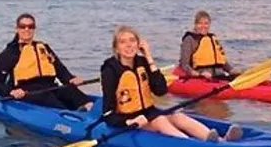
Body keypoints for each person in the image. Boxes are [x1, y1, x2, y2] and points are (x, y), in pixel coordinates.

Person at [102, 25, 242, 141]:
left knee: (177, 115)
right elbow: (107, 114)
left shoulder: (142, 62)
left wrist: (149, 57)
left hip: (149, 112)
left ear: (139, 44)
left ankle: (219, 140)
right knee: (160, 121)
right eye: (123, 42)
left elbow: (161, 90)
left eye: (132, 40)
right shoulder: (110, 70)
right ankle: (192, 145)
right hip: (127, 120)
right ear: (116, 48)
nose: (128, 45)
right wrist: (128, 122)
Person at [0, 13, 93, 110]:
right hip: (28, 91)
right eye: (23, 26)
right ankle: (70, 117)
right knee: (55, 104)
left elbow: (60, 70)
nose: (27, 29)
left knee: (75, 93)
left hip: (50, 86)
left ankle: (89, 111)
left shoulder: (44, 47)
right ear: (17, 29)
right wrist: (11, 92)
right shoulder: (9, 53)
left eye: (31, 26)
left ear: (34, 29)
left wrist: (71, 79)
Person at [178, 10, 236, 81]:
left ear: (209, 24)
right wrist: (198, 74)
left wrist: (231, 70)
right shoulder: (189, 40)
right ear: (195, 25)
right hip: (202, 78)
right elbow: (184, 64)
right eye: (200, 23)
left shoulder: (213, 38)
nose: (203, 26)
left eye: (206, 23)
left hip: (220, 76)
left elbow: (222, 61)